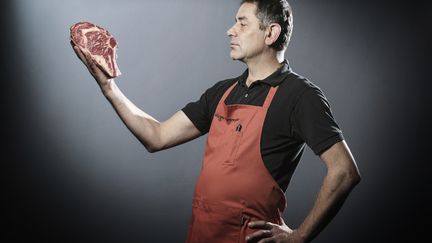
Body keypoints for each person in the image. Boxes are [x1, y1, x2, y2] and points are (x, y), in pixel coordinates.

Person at [71, 0, 361, 242]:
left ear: (270, 33)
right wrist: (108, 88)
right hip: (201, 234)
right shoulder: (222, 92)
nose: (230, 31)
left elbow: (344, 171)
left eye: (242, 23)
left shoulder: (299, 95)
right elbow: (156, 137)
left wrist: (299, 237)